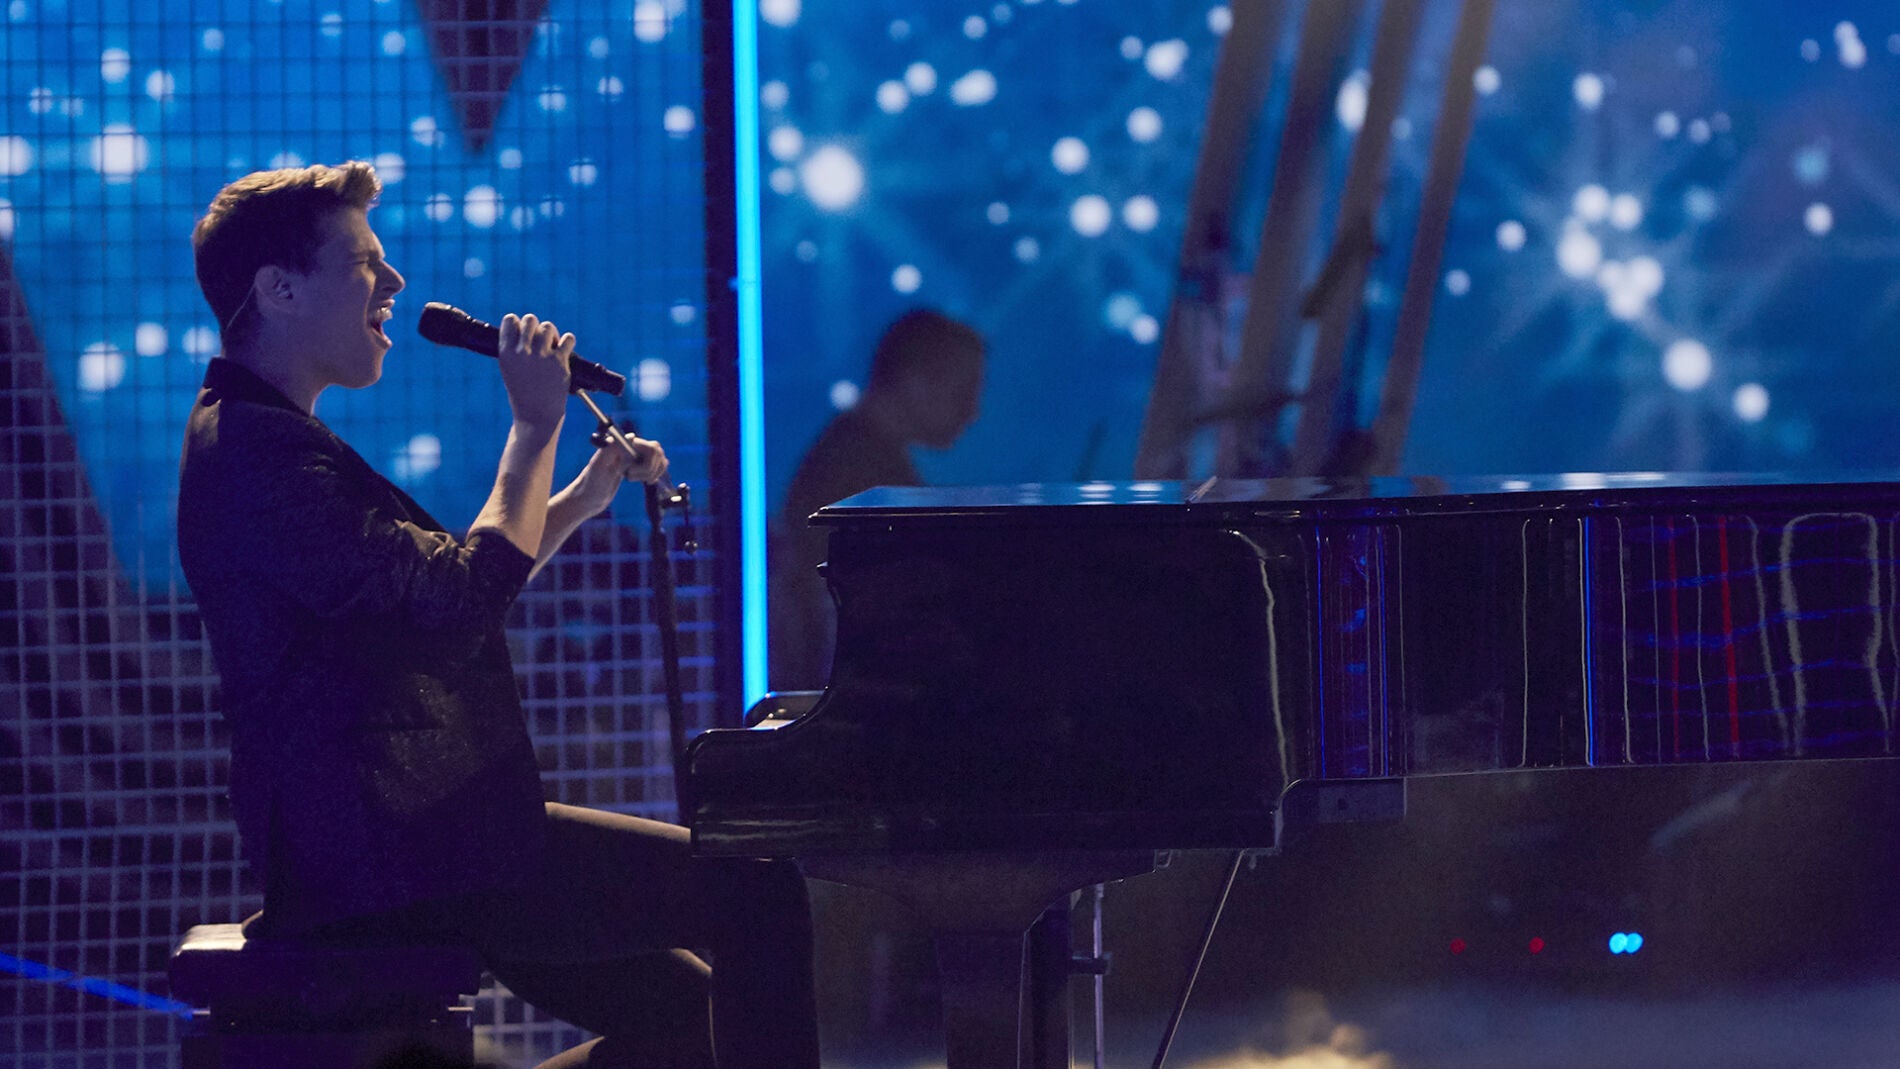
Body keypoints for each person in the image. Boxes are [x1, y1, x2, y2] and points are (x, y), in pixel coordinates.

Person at [176, 161, 818, 1069]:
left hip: (423, 841)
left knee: (686, 1014)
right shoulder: (260, 455)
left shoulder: (260, 436)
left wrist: (582, 496)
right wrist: (534, 427)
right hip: (401, 856)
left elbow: (440, 590)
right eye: (362, 263)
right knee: (757, 890)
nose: (394, 281)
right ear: (279, 290)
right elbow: (461, 596)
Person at [767, 308, 985, 691]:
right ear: (915, 382)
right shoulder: (861, 475)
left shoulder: (857, 455)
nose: (972, 413)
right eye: (962, 393)